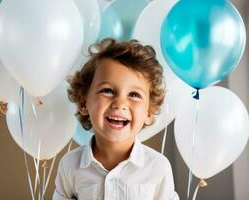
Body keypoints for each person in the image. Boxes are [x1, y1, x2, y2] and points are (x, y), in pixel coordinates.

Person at [53, 38, 179, 200]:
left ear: (149, 112)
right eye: (107, 90)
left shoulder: (158, 167)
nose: (120, 104)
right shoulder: (70, 165)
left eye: (134, 95)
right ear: (84, 103)